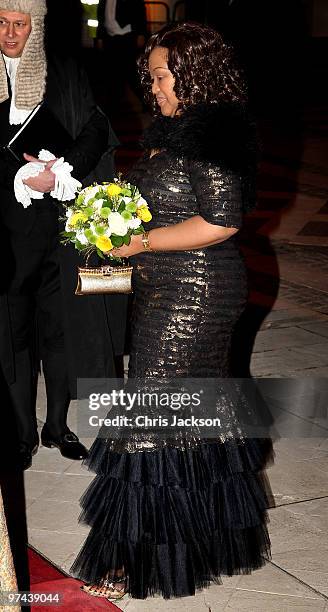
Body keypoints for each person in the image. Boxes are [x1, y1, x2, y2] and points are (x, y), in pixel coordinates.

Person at [71, 22, 272, 600]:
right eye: (152, 76)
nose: (152, 86)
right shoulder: (177, 126)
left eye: (160, 76)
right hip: (164, 284)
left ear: (193, 75)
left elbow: (222, 221)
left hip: (198, 291)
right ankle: (198, 538)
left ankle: (135, 557)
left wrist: (143, 243)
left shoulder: (214, 132)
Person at [0, 0, 126, 471]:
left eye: (20, 24)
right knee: (13, 331)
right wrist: (16, 177)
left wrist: (63, 169)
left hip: (57, 222)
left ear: (36, 27)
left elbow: (95, 127)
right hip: (6, 231)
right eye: (2, 23)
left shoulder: (64, 69)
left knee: (58, 326)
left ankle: (56, 424)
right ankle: (20, 431)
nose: (11, 33)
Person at [97, 0, 147, 109]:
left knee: (131, 72)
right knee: (111, 73)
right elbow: (100, 15)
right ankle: (113, 104)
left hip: (127, 36)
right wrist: (100, 36)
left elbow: (140, 11)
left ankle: (147, 101)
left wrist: (141, 33)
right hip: (109, 38)